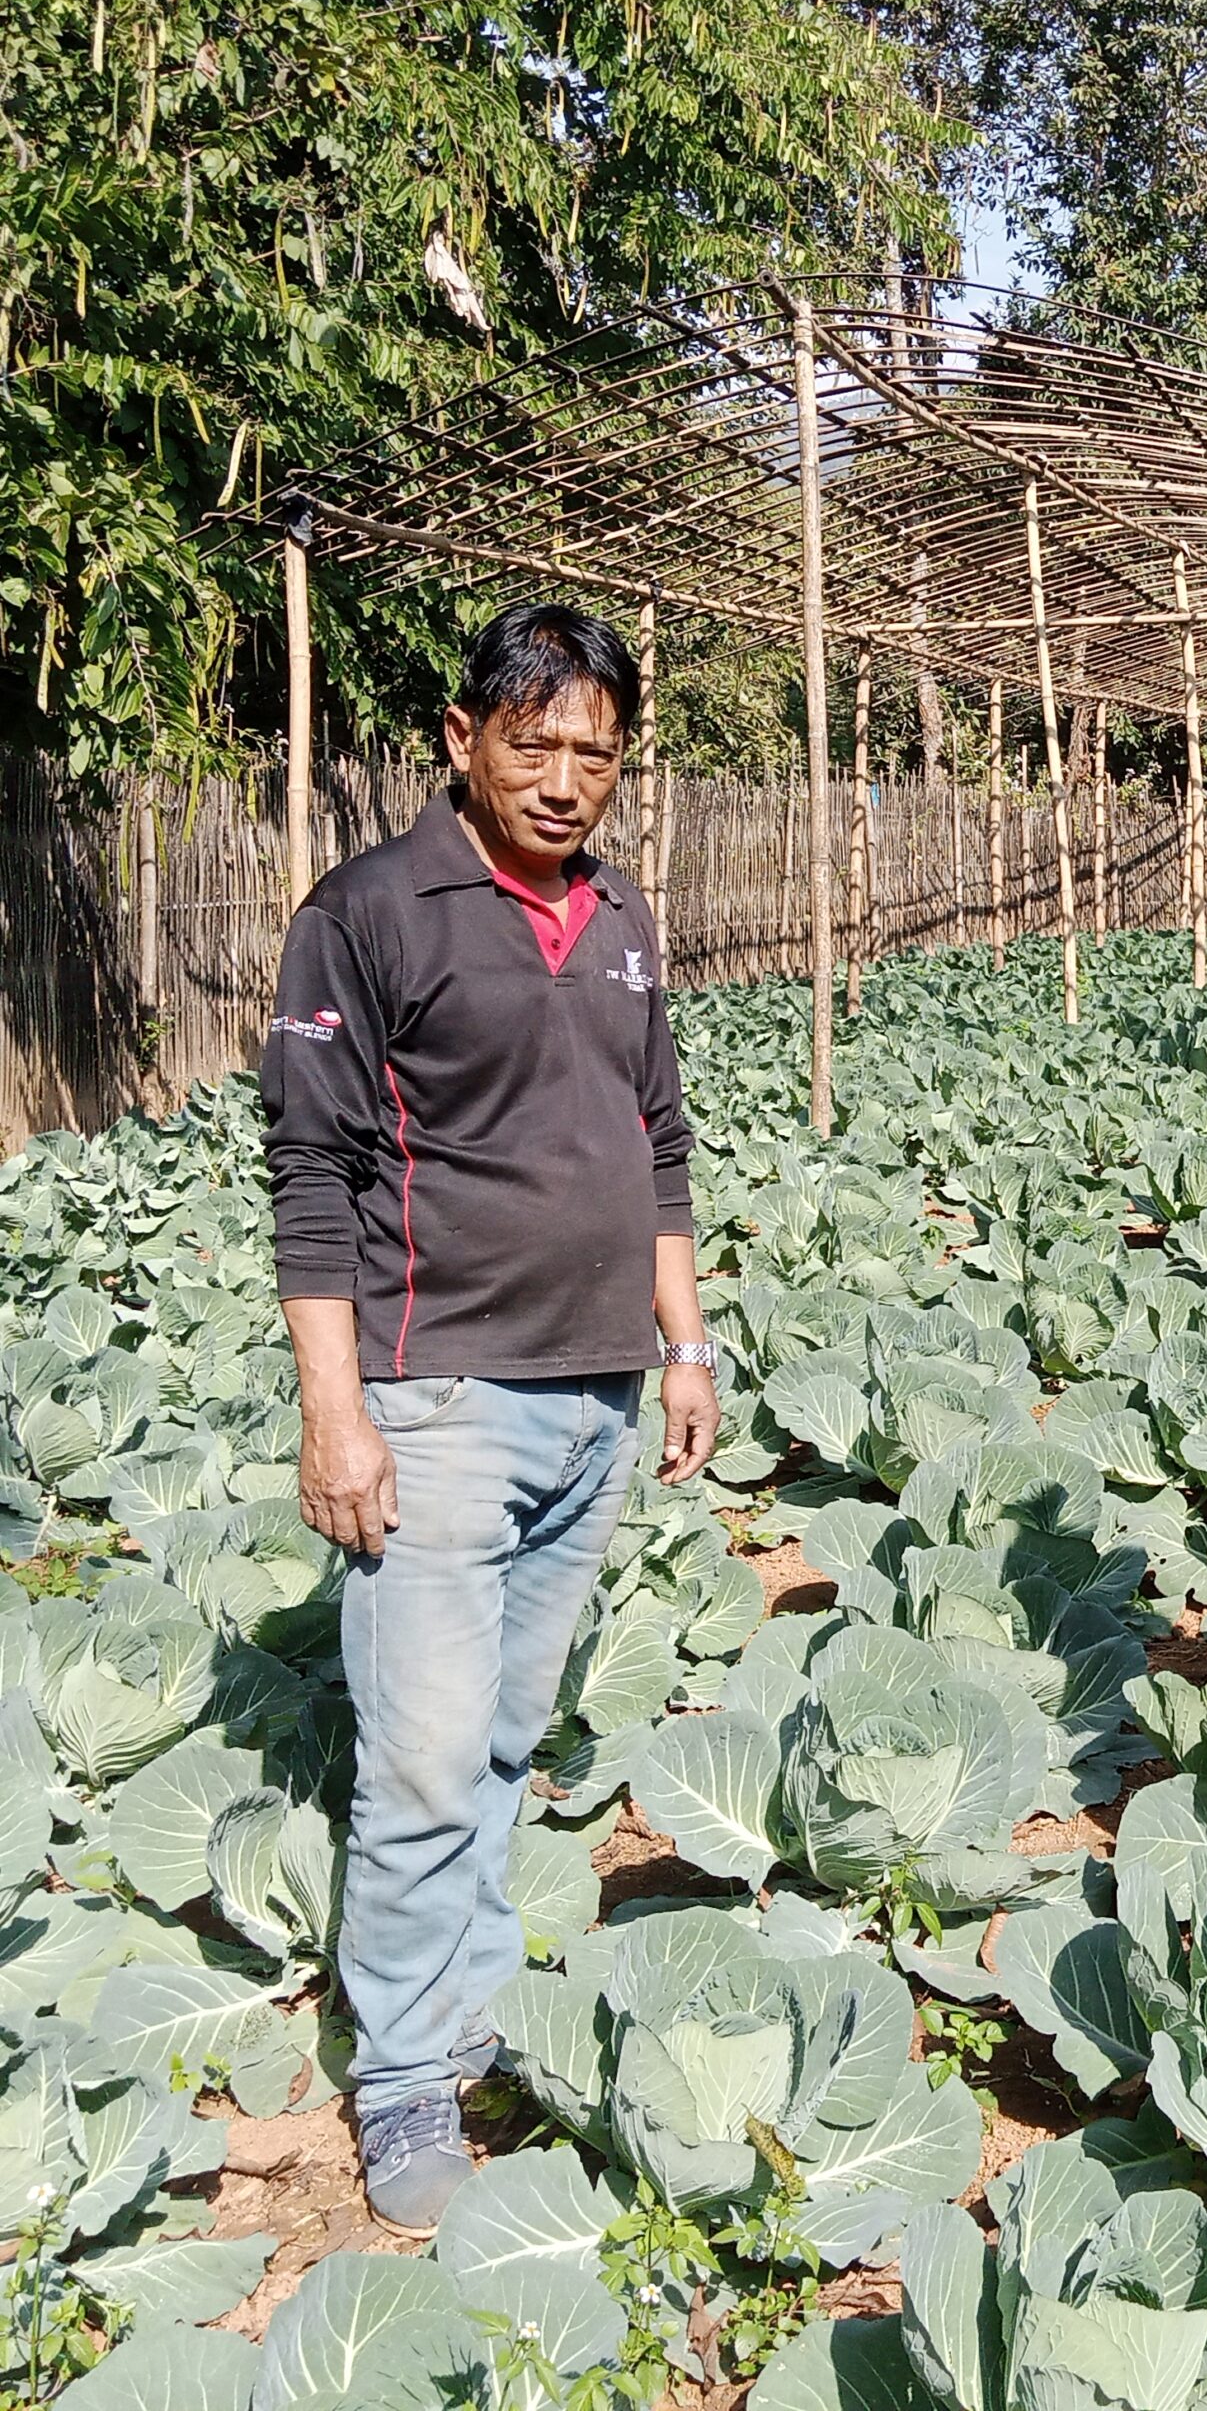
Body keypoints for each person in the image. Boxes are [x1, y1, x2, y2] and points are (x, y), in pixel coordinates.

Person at [262, 602, 719, 2234]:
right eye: (536, 744)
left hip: (595, 1394)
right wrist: (339, 1415)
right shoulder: (371, 911)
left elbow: (654, 1143)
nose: (566, 779)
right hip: (438, 1395)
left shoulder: (621, 915)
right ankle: (399, 2082)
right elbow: (310, 1176)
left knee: (505, 1745)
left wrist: (682, 1346)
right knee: (427, 1757)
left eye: (597, 753)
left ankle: (458, 2031)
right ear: (462, 741)